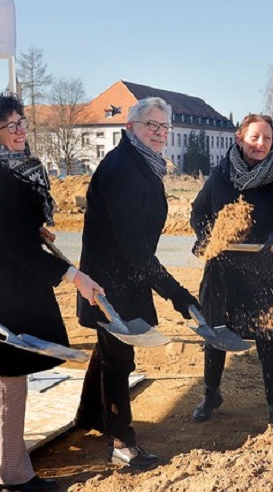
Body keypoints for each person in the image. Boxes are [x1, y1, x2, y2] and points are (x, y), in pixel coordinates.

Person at [0, 94, 104, 491]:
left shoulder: (4, 170)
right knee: (8, 374)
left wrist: (32, 228)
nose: (21, 130)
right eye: (11, 126)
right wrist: (72, 274)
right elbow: (16, 245)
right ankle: (12, 474)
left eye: (22, 122)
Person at [73, 97, 201, 470]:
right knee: (118, 359)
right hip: (110, 281)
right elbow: (133, 247)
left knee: (108, 350)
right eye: (152, 125)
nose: (160, 133)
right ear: (131, 128)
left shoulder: (142, 164)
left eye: (165, 127)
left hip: (123, 274)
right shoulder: (123, 170)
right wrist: (177, 294)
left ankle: (90, 416)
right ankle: (121, 444)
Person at [190, 114, 273, 428]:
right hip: (223, 270)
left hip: (267, 269)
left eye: (267, 138)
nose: (260, 144)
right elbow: (199, 211)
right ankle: (211, 394)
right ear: (241, 138)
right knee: (215, 336)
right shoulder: (221, 174)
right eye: (255, 137)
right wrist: (206, 235)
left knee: (269, 341)